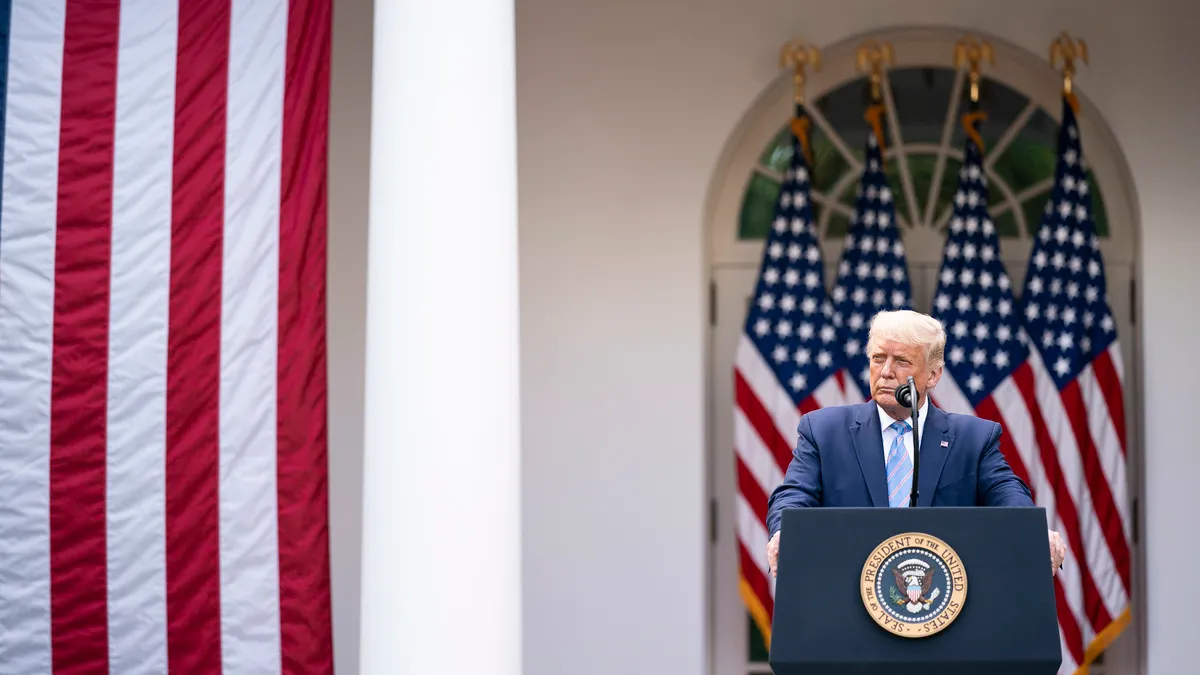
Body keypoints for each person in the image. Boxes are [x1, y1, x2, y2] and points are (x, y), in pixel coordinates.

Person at [764, 309, 1067, 578]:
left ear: (933, 375)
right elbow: (793, 494)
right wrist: (783, 532)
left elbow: (1008, 495)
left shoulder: (974, 439)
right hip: (848, 601)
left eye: (902, 361)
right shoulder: (824, 430)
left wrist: (1033, 530)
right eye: (878, 358)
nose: (886, 372)